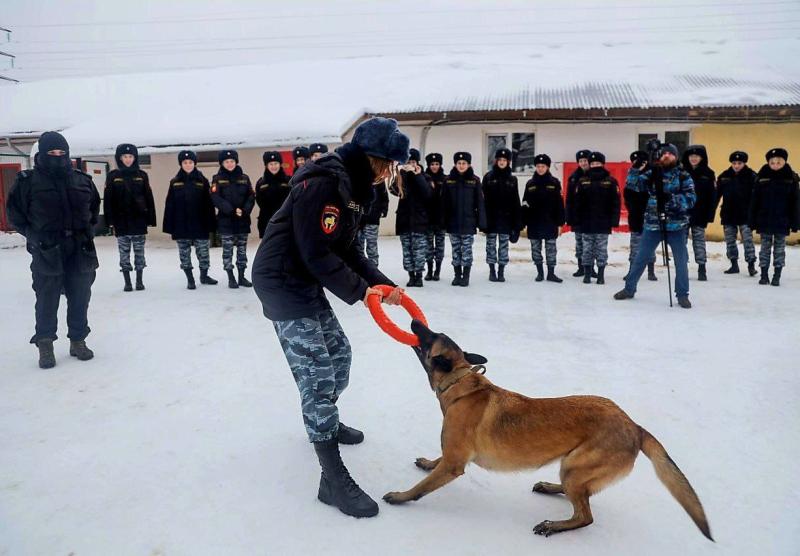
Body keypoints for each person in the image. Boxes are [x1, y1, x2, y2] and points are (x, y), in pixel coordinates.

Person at [251, 117, 407, 519]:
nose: (391, 174)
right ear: (375, 160)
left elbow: (347, 249)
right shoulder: (324, 183)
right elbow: (315, 252)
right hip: (282, 281)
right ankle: (332, 478)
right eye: (390, 165)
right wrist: (361, 292)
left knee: (339, 359)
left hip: (305, 278)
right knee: (318, 376)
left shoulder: (353, 189)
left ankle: (326, 420)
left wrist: (383, 284)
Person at [6, 131, 100, 368]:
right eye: (52, 152)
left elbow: (94, 208)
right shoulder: (28, 181)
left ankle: (78, 340)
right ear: (41, 154)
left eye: (61, 152)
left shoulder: (82, 180)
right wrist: (34, 236)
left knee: (80, 296)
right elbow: (15, 215)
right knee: (47, 298)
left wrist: (88, 231)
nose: (57, 156)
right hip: (47, 249)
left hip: (79, 248)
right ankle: (45, 344)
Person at [614, 144, 696, 308]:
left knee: (681, 262)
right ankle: (629, 289)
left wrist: (672, 200)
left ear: (676, 156)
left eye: (670, 154)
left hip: (677, 226)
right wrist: (635, 170)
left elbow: (691, 199)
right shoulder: (652, 173)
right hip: (653, 224)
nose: (666, 156)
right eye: (664, 154)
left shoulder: (683, 175)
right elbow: (634, 186)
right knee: (640, 258)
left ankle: (682, 295)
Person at [103, 143, 156, 292]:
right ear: (119, 158)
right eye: (125, 157)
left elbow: (148, 197)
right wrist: (110, 221)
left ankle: (139, 280)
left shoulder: (142, 175)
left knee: (139, 252)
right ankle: (127, 281)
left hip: (138, 221)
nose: (128, 159)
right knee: (124, 253)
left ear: (135, 158)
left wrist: (151, 219)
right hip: (121, 222)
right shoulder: (113, 176)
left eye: (130, 156)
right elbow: (108, 200)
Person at [163, 150, 218, 289]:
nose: (188, 165)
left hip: (200, 223)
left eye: (191, 162)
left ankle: (204, 276)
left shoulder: (202, 180)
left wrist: (211, 224)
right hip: (181, 225)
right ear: (181, 164)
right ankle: (190, 279)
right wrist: (170, 226)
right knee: (184, 254)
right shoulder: (174, 182)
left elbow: (209, 204)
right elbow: (169, 204)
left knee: (203, 253)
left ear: (195, 164)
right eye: (185, 163)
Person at [749, 148, 800, 286]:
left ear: (784, 162)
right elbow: (755, 200)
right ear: (768, 163)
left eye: (779, 162)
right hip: (764, 218)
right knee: (765, 247)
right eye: (772, 162)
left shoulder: (791, 178)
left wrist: (795, 222)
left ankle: (777, 275)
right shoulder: (762, 176)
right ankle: (764, 274)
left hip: (782, 219)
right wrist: (752, 220)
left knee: (779, 248)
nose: (775, 165)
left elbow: (795, 201)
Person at [211, 149, 256, 289]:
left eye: (232, 161)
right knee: (228, 251)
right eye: (226, 161)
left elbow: (251, 196)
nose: (230, 164)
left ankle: (242, 276)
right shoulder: (217, 179)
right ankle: (231, 277)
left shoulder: (245, 178)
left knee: (242, 251)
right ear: (222, 163)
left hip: (242, 220)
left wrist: (244, 210)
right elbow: (215, 198)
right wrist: (231, 210)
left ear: (236, 162)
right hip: (226, 222)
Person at [574, 151, 620, 285]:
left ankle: (601, 275)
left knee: (601, 249)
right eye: (592, 163)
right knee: (587, 249)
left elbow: (616, 202)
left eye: (598, 163)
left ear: (603, 164)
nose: (595, 165)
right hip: (586, 222)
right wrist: (577, 219)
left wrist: (614, 220)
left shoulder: (611, 181)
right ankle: (587, 274)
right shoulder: (582, 181)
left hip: (603, 222)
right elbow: (577, 202)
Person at [441, 151, 486, 287]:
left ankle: (465, 276)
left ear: (469, 164)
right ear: (455, 164)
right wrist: (442, 221)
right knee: (455, 250)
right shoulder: (448, 180)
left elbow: (480, 202)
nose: (461, 166)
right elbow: (444, 203)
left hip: (468, 222)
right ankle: (457, 275)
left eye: (464, 163)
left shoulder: (475, 180)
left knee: (466, 250)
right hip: (453, 222)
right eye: (459, 163)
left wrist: (482, 222)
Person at [391, 148, 432, 287]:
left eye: (413, 162)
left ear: (418, 163)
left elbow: (427, 194)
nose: (410, 164)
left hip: (419, 221)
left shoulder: (424, 176)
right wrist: (401, 173)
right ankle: (411, 275)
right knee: (407, 251)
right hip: (404, 220)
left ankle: (419, 275)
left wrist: (417, 175)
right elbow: (394, 190)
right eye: (408, 162)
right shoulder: (402, 177)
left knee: (419, 251)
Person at [522, 154, 565, 282]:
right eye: (538, 166)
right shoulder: (530, 184)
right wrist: (523, 220)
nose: (540, 168)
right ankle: (539, 272)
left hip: (550, 221)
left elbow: (559, 204)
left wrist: (560, 222)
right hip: (534, 222)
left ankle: (551, 273)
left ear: (547, 167)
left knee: (551, 249)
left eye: (543, 166)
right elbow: (525, 203)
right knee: (535, 249)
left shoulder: (554, 183)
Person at [716, 151, 758, 276]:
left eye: (739, 163)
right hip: (728, 213)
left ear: (744, 163)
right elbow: (716, 195)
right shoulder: (724, 176)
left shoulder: (752, 176)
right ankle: (733, 264)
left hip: (745, 214)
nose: (736, 166)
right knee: (730, 240)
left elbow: (757, 196)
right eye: (734, 163)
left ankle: (751, 264)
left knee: (747, 240)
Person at [482, 148, 521, 282]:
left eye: (505, 160)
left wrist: (517, 224)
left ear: (508, 162)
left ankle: (501, 271)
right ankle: (492, 270)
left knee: (504, 246)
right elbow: (483, 201)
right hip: (491, 219)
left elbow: (516, 201)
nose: (502, 162)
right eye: (500, 160)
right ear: (496, 161)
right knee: (491, 246)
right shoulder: (488, 177)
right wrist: (483, 221)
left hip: (506, 219)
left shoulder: (512, 179)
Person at [681, 145, 717, 281]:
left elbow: (713, 196)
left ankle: (702, 268)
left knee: (699, 241)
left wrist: (709, 215)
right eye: (691, 156)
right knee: (681, 242)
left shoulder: (708, 173)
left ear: (702, 158)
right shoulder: (681, 172)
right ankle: (682, 267)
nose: (694, 159)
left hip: (700, 212)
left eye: (697, 156)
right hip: (683, 213)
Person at [624, 150, 657, 282]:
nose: (640, 165)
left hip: (650, 215)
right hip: (636, 215)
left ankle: (651, 270)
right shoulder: (631, 176)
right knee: (635, 244)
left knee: (651, 244)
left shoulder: (652, 175)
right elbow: (627, 193)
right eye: (636, 162)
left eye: (642, 162)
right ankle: (632, 269)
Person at [566, 149, 593, 277]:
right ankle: (580, 267)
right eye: (580, 161)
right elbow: (569, 199)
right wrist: (569, 216)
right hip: (578, 215)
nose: (583, 163)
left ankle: (591, 268)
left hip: (592, 216)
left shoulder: (595, 175)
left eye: (585, 160)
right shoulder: (573, 178)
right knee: (580, 242)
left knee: (591, 243)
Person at [356, 165, 389, 267]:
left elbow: (384, 196)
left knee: (372, 246)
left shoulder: (378, 179)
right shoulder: (356, 178)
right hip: (358, 220)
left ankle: (374, 270)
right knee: (358, 247)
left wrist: (383, 210)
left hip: (372, 219)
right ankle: (360, 271)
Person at [255, 151, 291, 239]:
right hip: (267, 221)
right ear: (266, 166)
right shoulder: (261, 183)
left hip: (285, 220)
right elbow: (259, 201)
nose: (274, 166)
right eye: (271, 164)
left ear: (280, 164)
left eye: (276, 163)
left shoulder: (288, 180)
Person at [423, 152, 447, 281]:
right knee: (428, 247)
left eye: (437, 164)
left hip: (441, 219)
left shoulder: (445, 179)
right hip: (427, 219)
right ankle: (429, 269)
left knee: (439, 246)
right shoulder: (424, 178)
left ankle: (437, 270)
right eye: (432, 164)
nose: (434, 166)